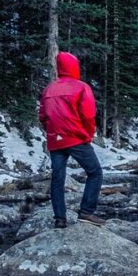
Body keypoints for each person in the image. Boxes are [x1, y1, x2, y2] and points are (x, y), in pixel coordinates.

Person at [39, 51, 103, 228]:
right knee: (95, 173)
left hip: (55, 140)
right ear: (74, 66)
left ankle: (60, 219)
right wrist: (88, 135)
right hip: (75, 138)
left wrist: (52, 132)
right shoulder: (81, 87)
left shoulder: (49, 89)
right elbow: (88, 115)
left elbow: (43, 116)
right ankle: (86, 212)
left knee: (57, 179)